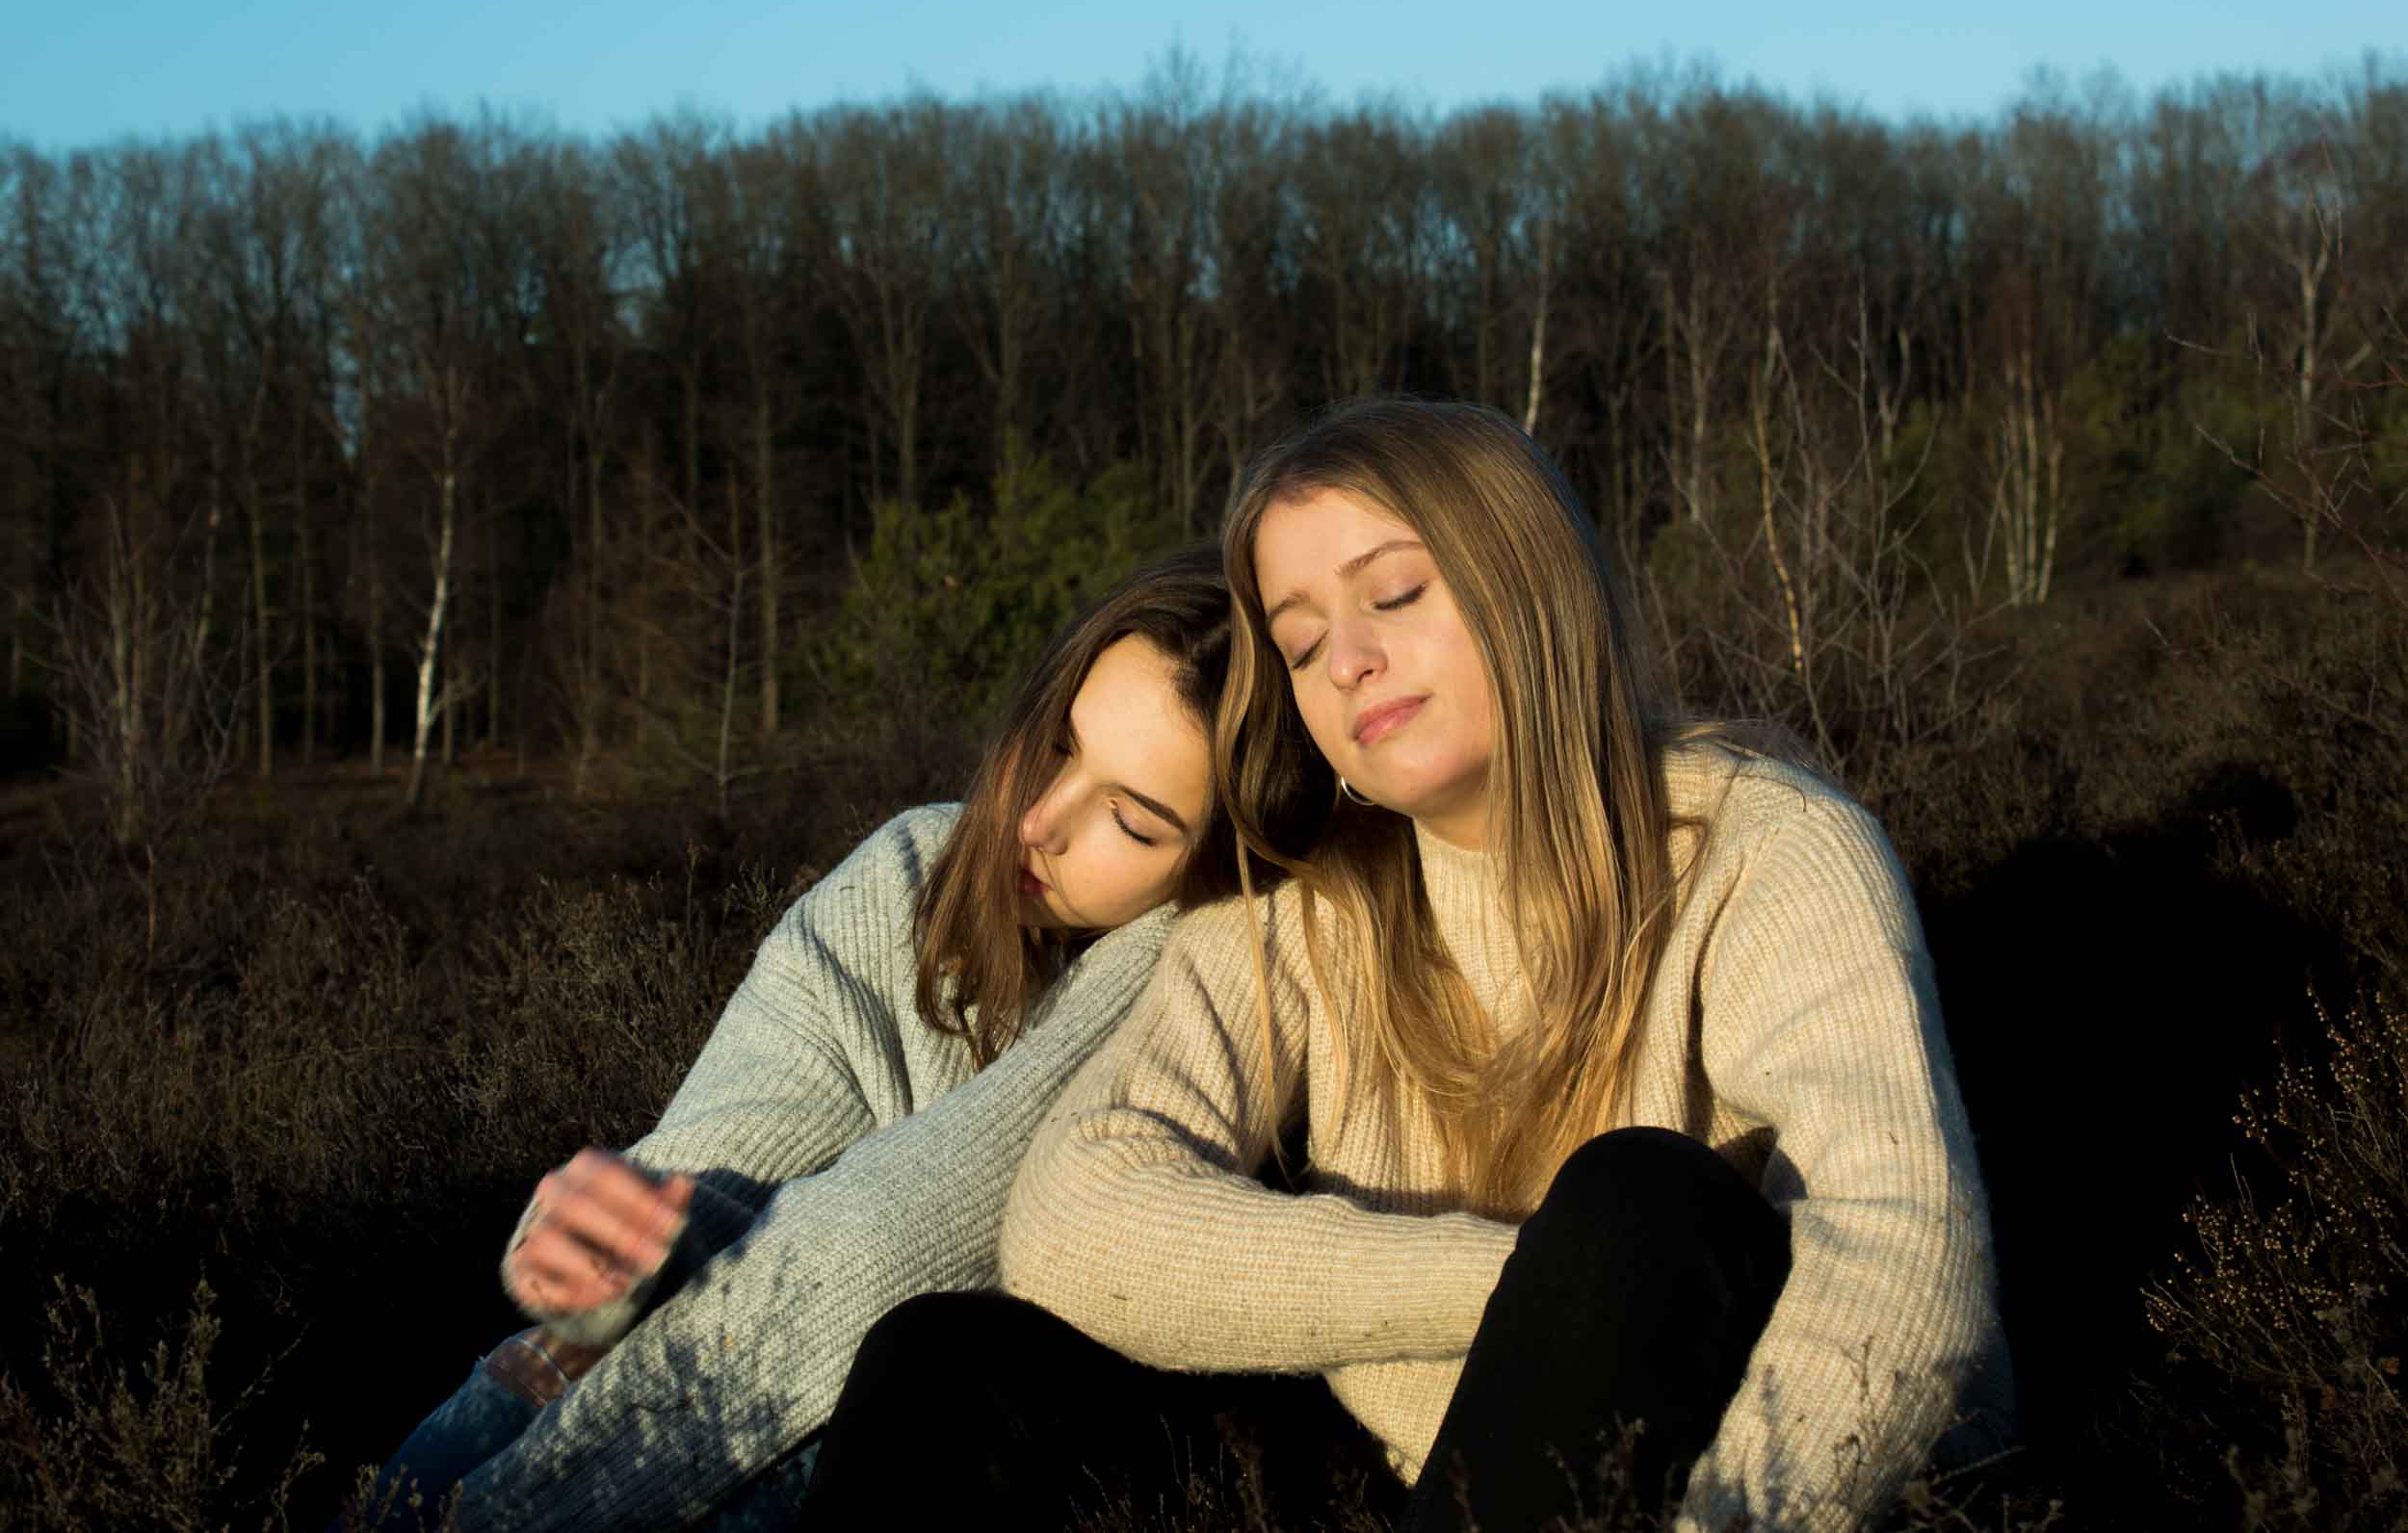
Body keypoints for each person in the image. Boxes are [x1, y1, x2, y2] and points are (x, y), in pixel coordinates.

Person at [802, 399, 2014, 1533]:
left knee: (1641, 1202)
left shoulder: (1768, 852)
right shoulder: (1315, 892)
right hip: (1386, 1474)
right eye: (1301, 639)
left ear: (1529, 581)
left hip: (1689, 1478)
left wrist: (1626, 1338)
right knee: (949, 1362)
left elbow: (1898, 1264)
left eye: (1393, 593)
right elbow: (1079, 1219)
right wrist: (1524, 1286)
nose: (1346, 662)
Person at [344, 547, 1319, 1533]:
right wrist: (605, 1244)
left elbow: (902, 1242)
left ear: (1223, 866)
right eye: (1059, 742)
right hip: (674, 1368)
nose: (1040, 818)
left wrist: (1193, 929)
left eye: (1131, 820)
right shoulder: (908, 873)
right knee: (530, 1379)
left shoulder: (1220, 975)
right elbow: (710, 1163)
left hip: (948, 1460)